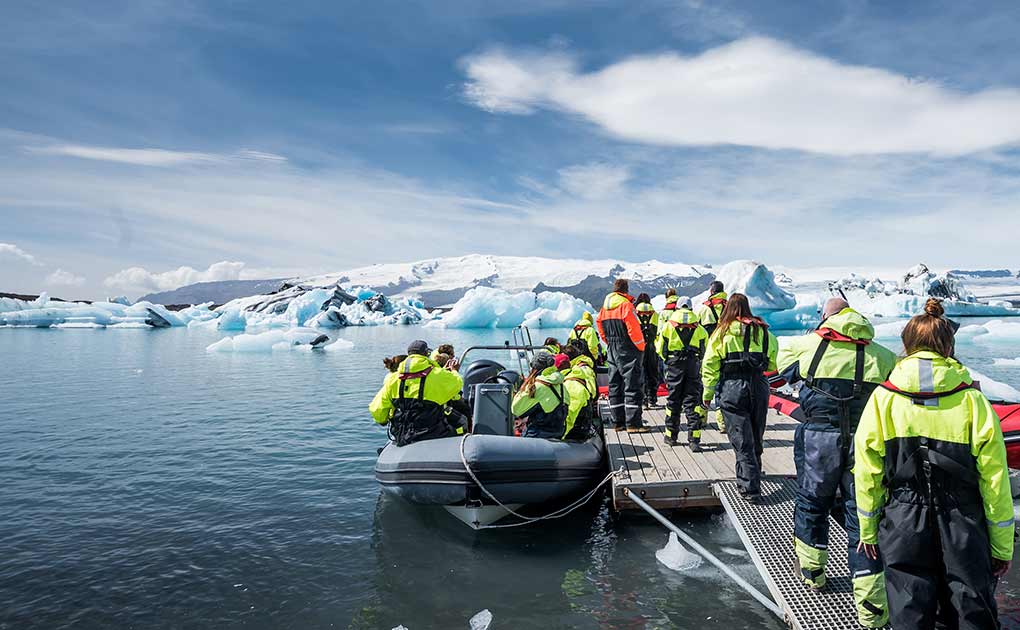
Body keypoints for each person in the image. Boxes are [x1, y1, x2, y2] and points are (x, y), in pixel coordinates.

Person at [855, 298, 1014, 629]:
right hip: (963, 519)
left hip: (902, 517)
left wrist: (868, 531)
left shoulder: (883, 399)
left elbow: (867, 473)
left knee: (910, 607)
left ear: (906, 344)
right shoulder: (973, 400)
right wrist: (1001, 546)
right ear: (948, 345)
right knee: (971, 608)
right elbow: (994, 479)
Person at [776, 297, 896, 627]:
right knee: (864, 518)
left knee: (812, 505)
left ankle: (813, 575)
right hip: (866, 444)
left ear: (825, 319)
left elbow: (782, 373)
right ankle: (871, 610)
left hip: (818, 440)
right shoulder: (883, 355)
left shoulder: (803, 345)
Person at [701, 293, 777, 502]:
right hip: (758, 385)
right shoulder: (764, 332)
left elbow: (710, 365)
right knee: (756, 433)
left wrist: (707, 394)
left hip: (732, 387)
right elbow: (772, 363)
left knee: (741, 438)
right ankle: (755, 475)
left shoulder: (722, 332)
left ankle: (749, 489)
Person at [369, 340, 466, 446]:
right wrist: (454, 371)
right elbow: (457, 384)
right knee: (462, 424)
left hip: (402, 435)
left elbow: (376, 410)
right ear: (426, 354)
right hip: (434, 433)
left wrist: (383, 420)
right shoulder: (438, 374)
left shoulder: (393, 379)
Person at [597, 279, 648, 432]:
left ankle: (618, 422)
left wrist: (609, 342)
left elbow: (600, 327)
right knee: (632, 384)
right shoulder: (626, 306)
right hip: (628, 349)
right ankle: (633, 423)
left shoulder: (604, 309)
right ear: (626, 290)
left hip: (612, 349)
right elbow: (634, 329)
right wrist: (641, 346)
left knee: (614, 384)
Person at [658, 300, 708, 451]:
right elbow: (705, 349)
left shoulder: (668, 326)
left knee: (673, 401)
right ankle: (694, 440)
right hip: (693, 365)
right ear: (691, 308)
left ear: (677, 308)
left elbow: (660, 349)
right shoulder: (699, 328)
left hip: (675, 366)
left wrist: (669, 361)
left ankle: (671, 437)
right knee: (692, 402)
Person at [511, 352, 570, 439]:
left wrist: (522, 390)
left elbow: (515, 410)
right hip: (558, 433)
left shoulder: (538, 386)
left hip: (537, 435)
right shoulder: (561, 385)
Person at [559, 349, 595, 441]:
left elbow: (570, 415)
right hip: (580, 426)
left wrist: (560, 437)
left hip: (576, 433)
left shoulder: (571, 385)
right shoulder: (578, 374)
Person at [635, 294, 661, 408]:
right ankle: (652, 399)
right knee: (652, 372)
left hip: (639, 346)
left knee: (640, 373)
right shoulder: (655, 314)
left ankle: (643, 400)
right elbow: (659, 331)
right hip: (652, 346)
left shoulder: (635, 313)